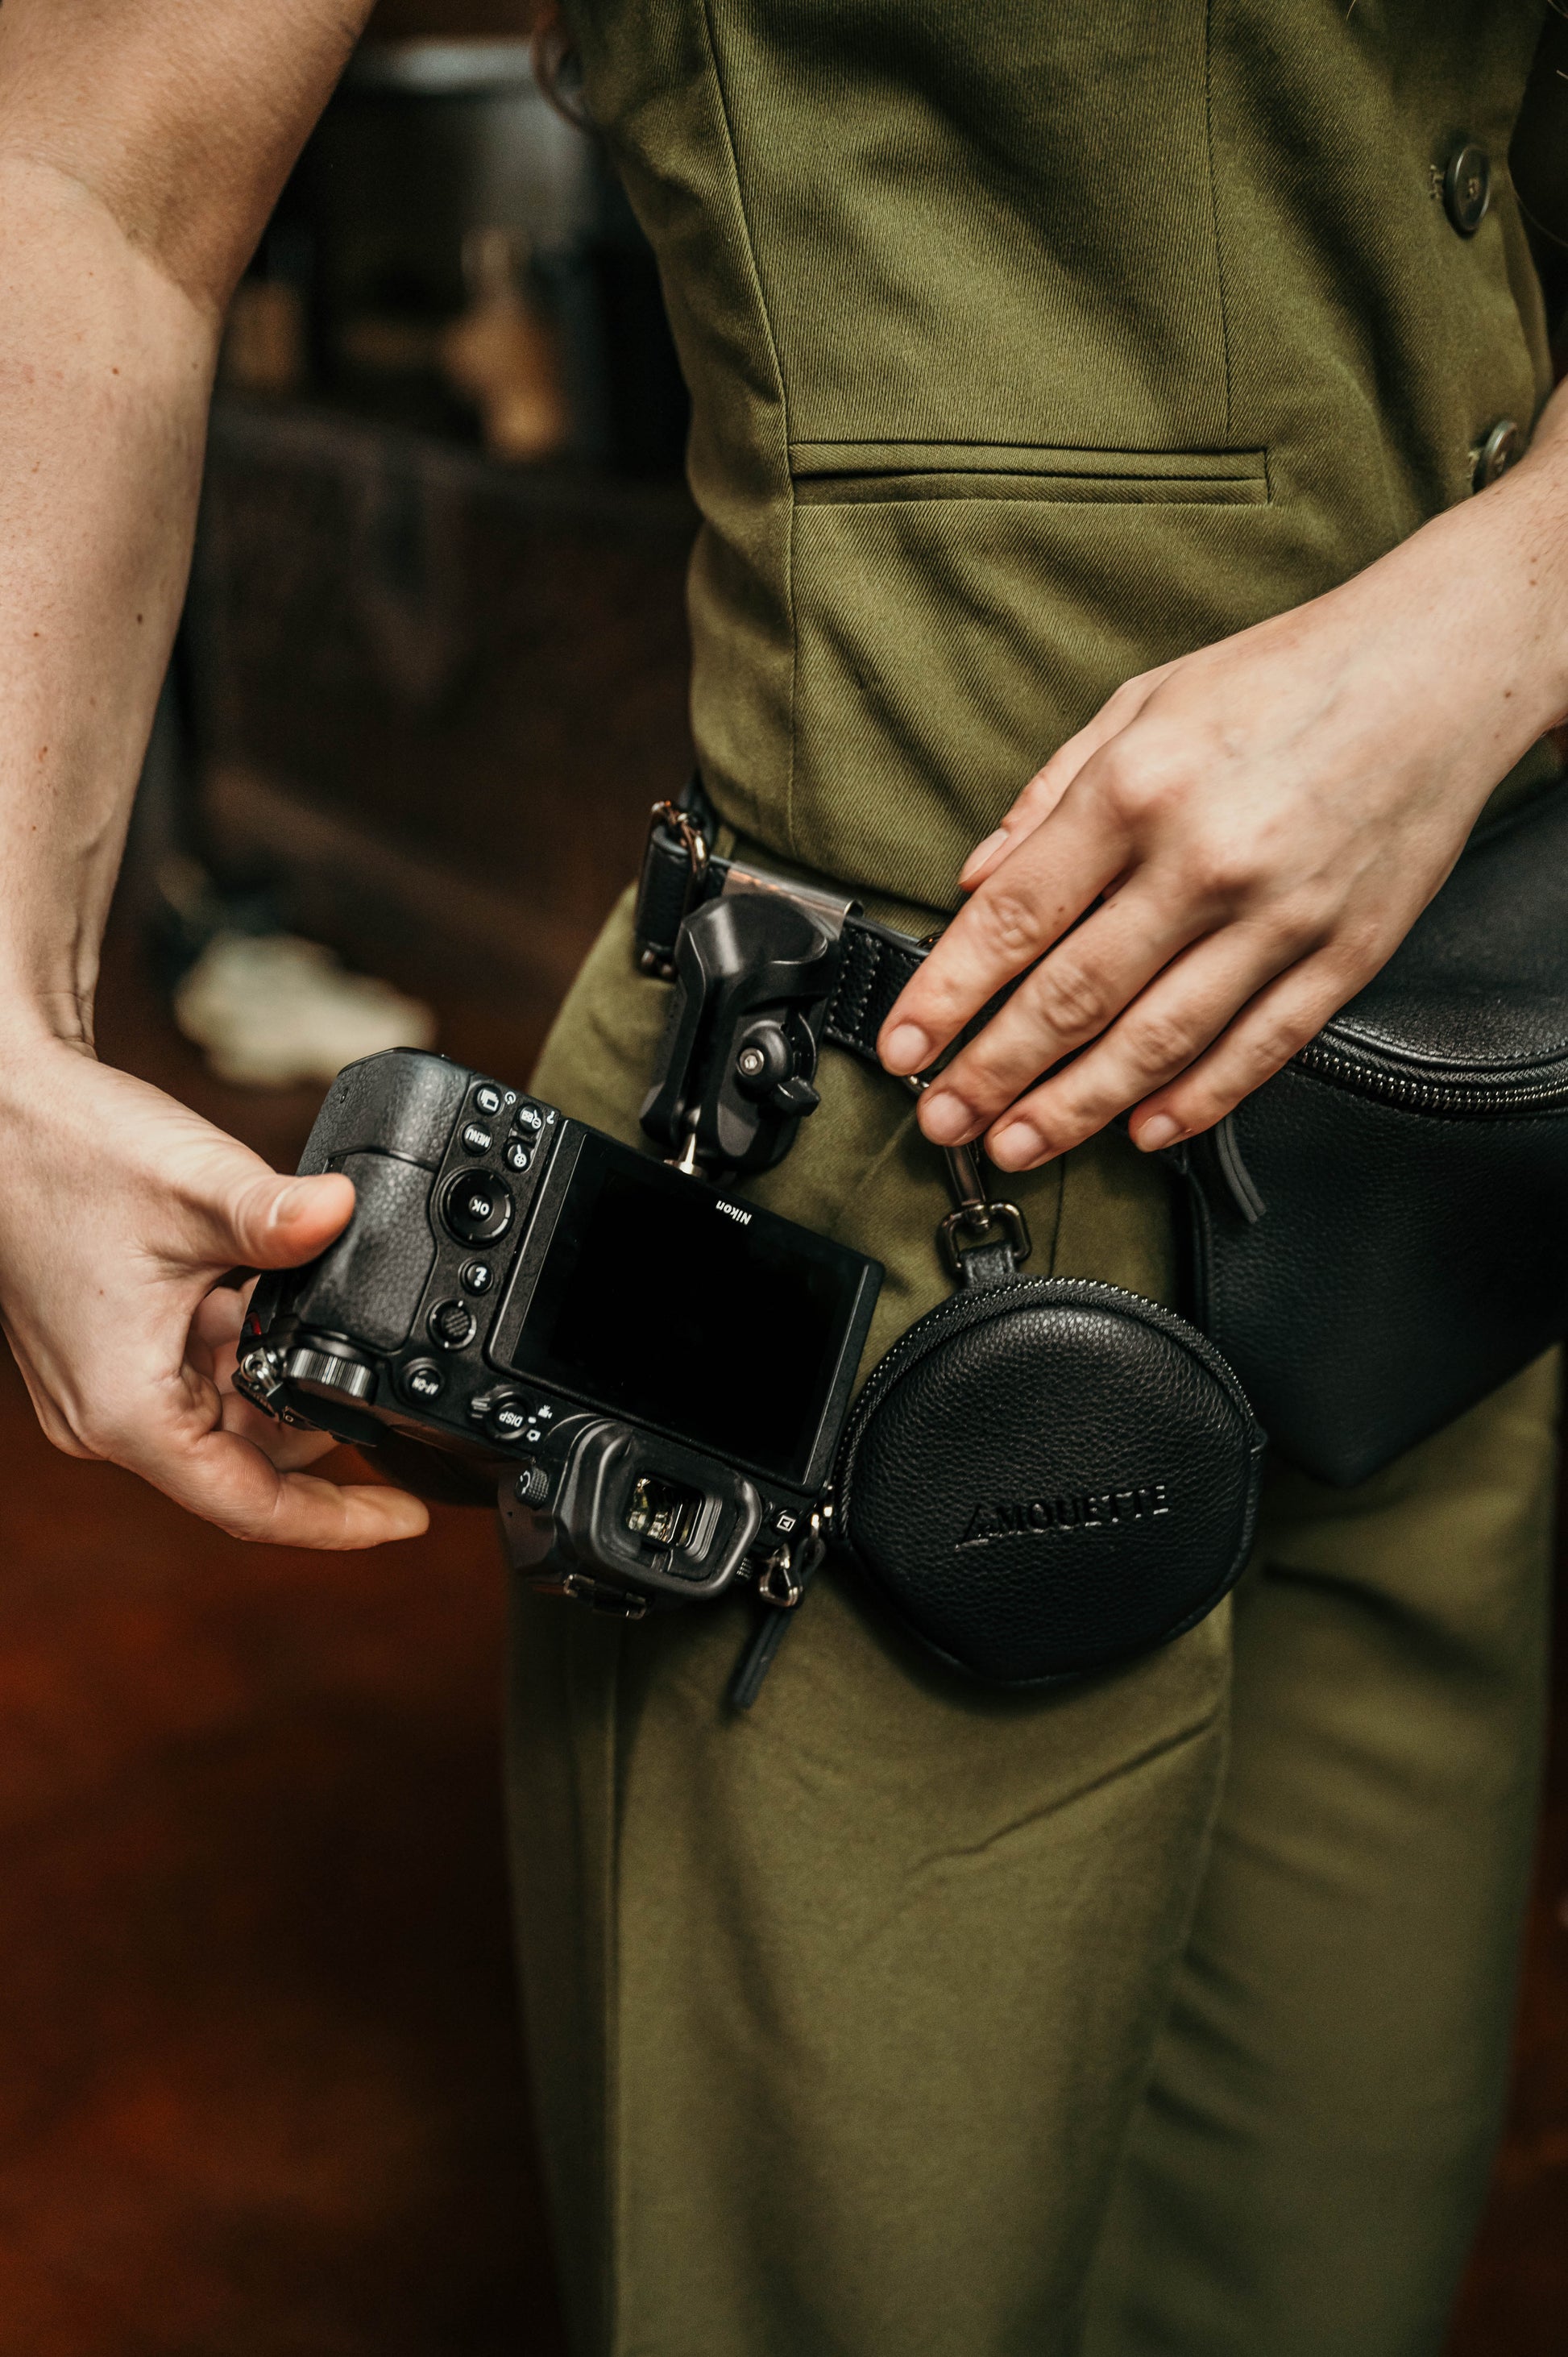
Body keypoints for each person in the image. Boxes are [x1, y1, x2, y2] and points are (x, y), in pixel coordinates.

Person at [0, 3, 1562, 2351]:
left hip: (1463, 1149)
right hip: (869, 1223)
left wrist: (1504, 616)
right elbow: (85, 183)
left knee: (1322, 2252)